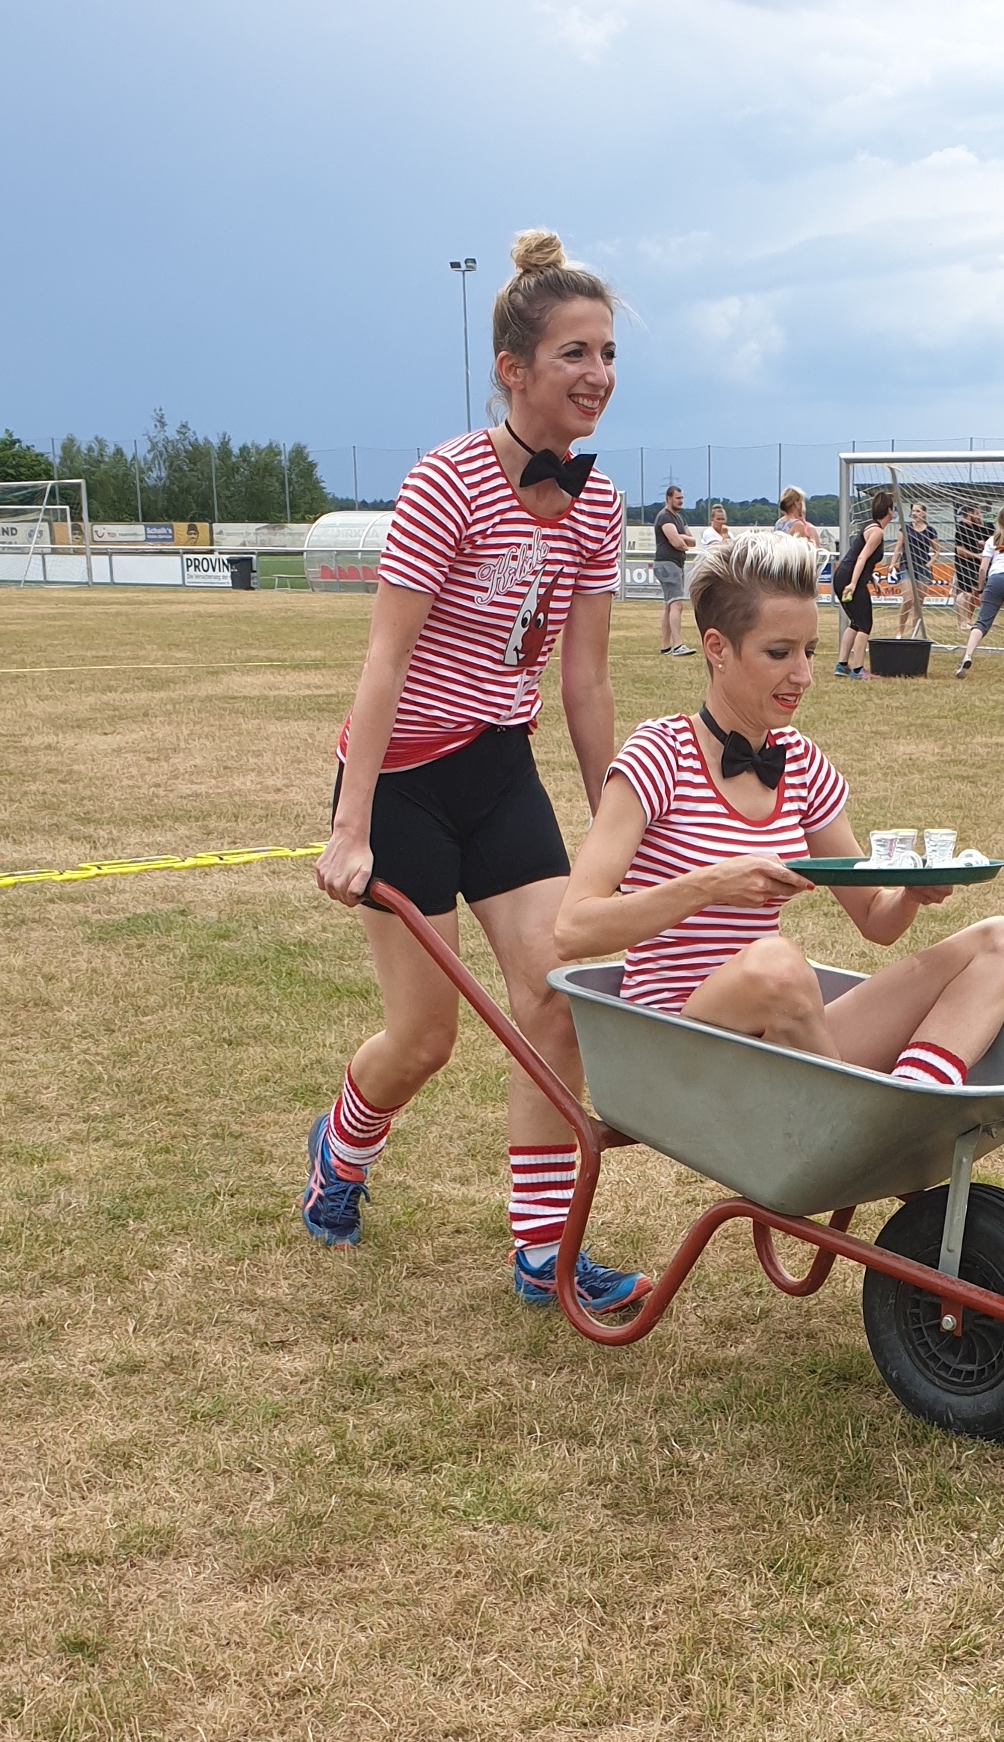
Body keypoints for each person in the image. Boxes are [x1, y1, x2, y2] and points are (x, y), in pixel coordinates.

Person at [304, 228, 649, 1315]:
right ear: (513, 368)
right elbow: (385, 659)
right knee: (425, 1039)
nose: (597, 374)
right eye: (574, 353)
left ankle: (543, 1253)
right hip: (403, 780)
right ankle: (340, 1150)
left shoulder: (598, 503)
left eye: (607, 353)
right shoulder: (446, 482)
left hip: (499, 768)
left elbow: (585, 683)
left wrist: (619, 826)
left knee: (556, 998)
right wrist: (351, 827)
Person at [553, 531, 1004, 1091]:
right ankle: (860, 1119)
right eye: (779, 653)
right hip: (681, 1052)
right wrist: (709, 885)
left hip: (782, 1037)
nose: (803, 675)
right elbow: (572, 929)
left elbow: (875, 920)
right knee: (776, 965)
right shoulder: (659, 754)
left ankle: (916, 1100)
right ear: (717, 649)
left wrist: (911, 893)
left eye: (809, 651)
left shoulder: (800, 761)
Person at [954, 500, 1004, 679]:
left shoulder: (992, 540)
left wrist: (980, 586)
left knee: (982, 623)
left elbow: (983, 568)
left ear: (998, 520)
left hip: (996, 581)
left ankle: (967, 655)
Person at [833, 490, 893, 677]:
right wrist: (853, 584)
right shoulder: (877, 532)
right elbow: (861, 558)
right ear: (889, 511)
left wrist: (872, 579)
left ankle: (842, 665)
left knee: (856, 622)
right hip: (850, 578)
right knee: (865, 624)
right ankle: (858, 669)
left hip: (842, 576)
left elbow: (863, 561)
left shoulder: (870, 527)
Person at [653, 484, 696, 655]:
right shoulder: (664, 517)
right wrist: (682, 541)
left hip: (676, 564)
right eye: (678, 498)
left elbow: (692, 541)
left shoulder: (679, 518)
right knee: (677, 604)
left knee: (669, 606)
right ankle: (678, 645)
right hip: (667, 564)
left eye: (682, 498)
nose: (681, 501)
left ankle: (665, 646)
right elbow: (676, 543)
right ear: (668, 498)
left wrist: (682, 538)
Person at [895, 501, 938, 636]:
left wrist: (930, 563)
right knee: (908, 598)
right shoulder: (905, 529)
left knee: (919, 602)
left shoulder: (930, 531)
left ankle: (913, 633)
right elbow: (898, 548)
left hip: (923, 567)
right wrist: (892, 564)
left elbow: (937, 551)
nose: (914, 513)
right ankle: (900, 631)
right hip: (907, 565)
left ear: (924, 513)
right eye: (913, 511)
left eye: (918, 511)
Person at [951, 503, 989, 629]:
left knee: (973, 593)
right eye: (977, 513)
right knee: (965, 593)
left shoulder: (977, 528)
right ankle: (961, 622)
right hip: (964, 565)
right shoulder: (961, 528)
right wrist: (976, 555)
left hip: (975, 565)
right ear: (969, 513)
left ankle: (968, 620)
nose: (979, 516)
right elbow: (960, 551)